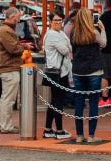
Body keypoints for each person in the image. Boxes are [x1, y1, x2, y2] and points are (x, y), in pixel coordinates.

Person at [70, 8, 107, 143]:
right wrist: (102, 29)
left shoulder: (74, 32)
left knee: (79, 103)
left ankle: (79, 135)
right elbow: (103, 43)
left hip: (78, 70)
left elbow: (73, 50)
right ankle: (91, 136)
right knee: (93, 104)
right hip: (93, 70)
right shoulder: (94, 32)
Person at [0, 7, 35, 134]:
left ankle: (2, 124)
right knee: (9, 99)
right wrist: (24, 47)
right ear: (12, 17)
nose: (18, 20)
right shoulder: (5, 30)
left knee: (5, 98)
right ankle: (6, 126)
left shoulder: (5, 29)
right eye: (17, 17)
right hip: (9, 68)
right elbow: (13, 49)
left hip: (8, 68)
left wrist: (22, 45)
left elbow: (13, 46)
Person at [41, 12, 72, 140]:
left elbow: (67, 47)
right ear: (50, 21)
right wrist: (67, 46)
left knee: (54, 101)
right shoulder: (53, 34)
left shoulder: (60, 33)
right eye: (55, 20)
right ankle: (59, 130)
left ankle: (48, 129)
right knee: (58, 101)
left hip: (59, 71)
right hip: (57, 72)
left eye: (60, 20)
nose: (58, 22)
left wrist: (66, 46)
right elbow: (66, 50)